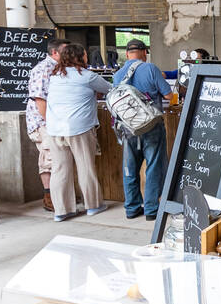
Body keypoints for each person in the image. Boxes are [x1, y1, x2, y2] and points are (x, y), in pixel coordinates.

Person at [39, 43, 110, 222]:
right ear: (80, 57)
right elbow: (111, 88)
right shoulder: (87, 76)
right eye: (85, 55)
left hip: (55, 130)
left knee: (60, 170)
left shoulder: (54, 76)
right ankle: (93, 205)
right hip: (79, 128)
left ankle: (62, 210)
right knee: (85, 167)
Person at [111, 38, 171, 221]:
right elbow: (169, 95)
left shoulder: (117, 75)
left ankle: (132, 207)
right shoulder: (151, 69)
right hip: (151, 126)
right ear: (145, 53)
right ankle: (151, 209)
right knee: (153, 166)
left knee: (130, 168)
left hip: (128, 129)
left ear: (128, 54)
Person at [26, 38, 69, 213]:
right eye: (65, 51)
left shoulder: (60, 69)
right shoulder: (42, 69)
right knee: (48, 159)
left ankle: (60, 194)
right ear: (54, 53)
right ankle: (49, 196)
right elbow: (39, 100)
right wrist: (50, 124)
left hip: (56, 121)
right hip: (43, 122)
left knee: (58, 159)